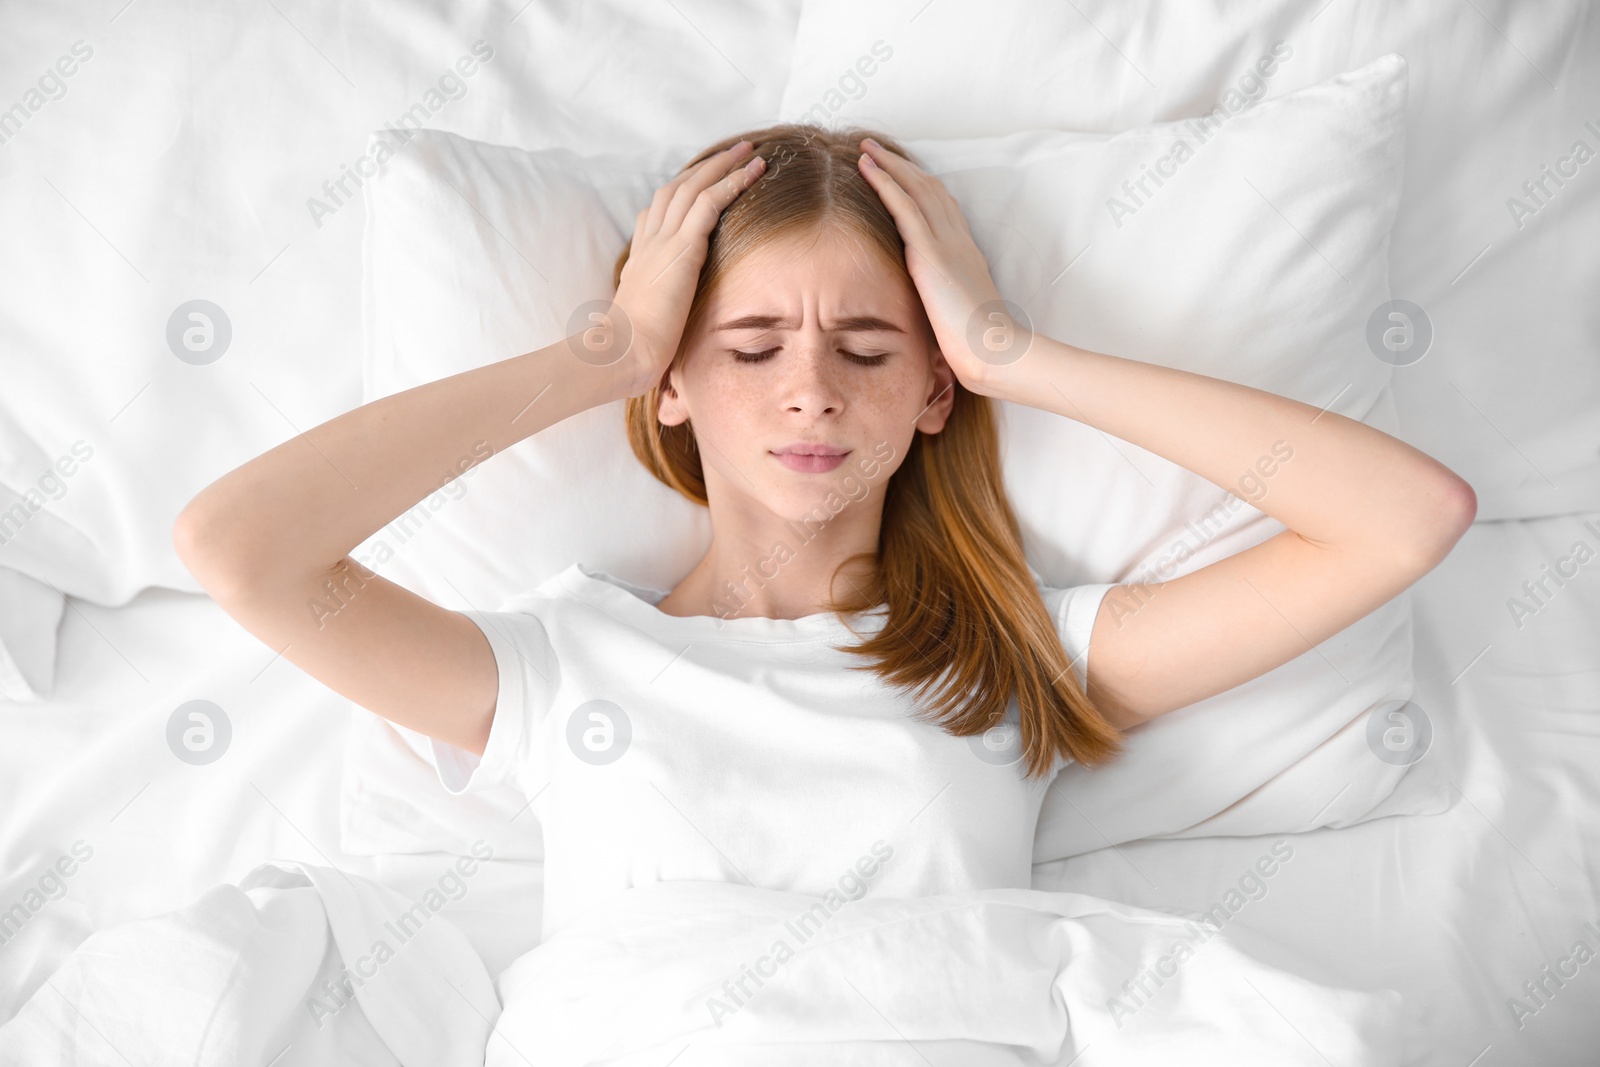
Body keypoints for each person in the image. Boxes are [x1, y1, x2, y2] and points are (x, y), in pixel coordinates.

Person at [172, 123, 1475, 937]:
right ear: (674, 391)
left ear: (929, 394)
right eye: (748, 346)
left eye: (866, 347)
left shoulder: (1002, 660)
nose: (810, 387)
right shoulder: (561, 665)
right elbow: (240, 548)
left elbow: (1408, 520)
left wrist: (1016, 352)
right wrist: (606, 348)